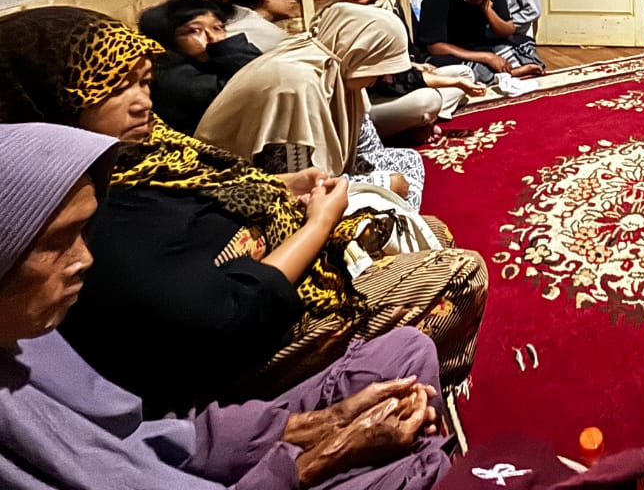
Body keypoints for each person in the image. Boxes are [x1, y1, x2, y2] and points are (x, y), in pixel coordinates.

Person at [0, 7, 487, 412]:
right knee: (458, 270)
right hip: (255, 331)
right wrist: (318, 221)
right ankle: (395, 396)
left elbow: (244, 178)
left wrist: (284, 188)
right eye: (113, 87)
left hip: (266, 256)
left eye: (145, 82)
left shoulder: (149, 155)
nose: (141, 103)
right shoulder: (88, 201)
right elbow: (226, 317)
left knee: (428, 227)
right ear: (52, 99)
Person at [0, 120, 454, 489]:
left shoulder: (31, 340)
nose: (85, 258)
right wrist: (323, 458)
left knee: (408, 356)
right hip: (244, 365)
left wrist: (317, 422)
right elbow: (221, 314)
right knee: (421, 460)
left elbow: (146, 436)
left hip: (195, 447)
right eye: (57, 241)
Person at [199, 2, 430, 207]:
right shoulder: (296, 85)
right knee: (386, 191)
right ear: (360, 52)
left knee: (407, 161)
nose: (382, 77)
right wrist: (383, 183)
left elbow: (367, 147)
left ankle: (401, 222)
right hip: (249, 192)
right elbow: (298, 185)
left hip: (311, 175)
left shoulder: (337, 67)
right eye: (380, 64)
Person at [324, 0, 484, 139]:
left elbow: (406, 54)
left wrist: (416, 65)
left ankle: (419, 123)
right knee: (429, 99)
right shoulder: (338, 18)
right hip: (365, 106)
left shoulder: (389, 5)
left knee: (465, 72)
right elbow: (390, 81)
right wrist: (455, 83)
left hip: (400, 85)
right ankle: (412, 127)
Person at [138, 0, 262, 135]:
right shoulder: (173, 77)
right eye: (194, 30)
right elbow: (255, 86)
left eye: (218, 27)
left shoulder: (204, 63)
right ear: (166, 38)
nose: (213, 38)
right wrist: (227, 48)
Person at [415, 0, 545, 83]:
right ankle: (508, 73)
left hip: (480, 44)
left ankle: (501, 72)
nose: (478, 1)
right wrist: (486, 57)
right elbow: (435, 47)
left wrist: (487, 10)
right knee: (450, 67)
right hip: (453, 51)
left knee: (525, 44)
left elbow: (508, 31)